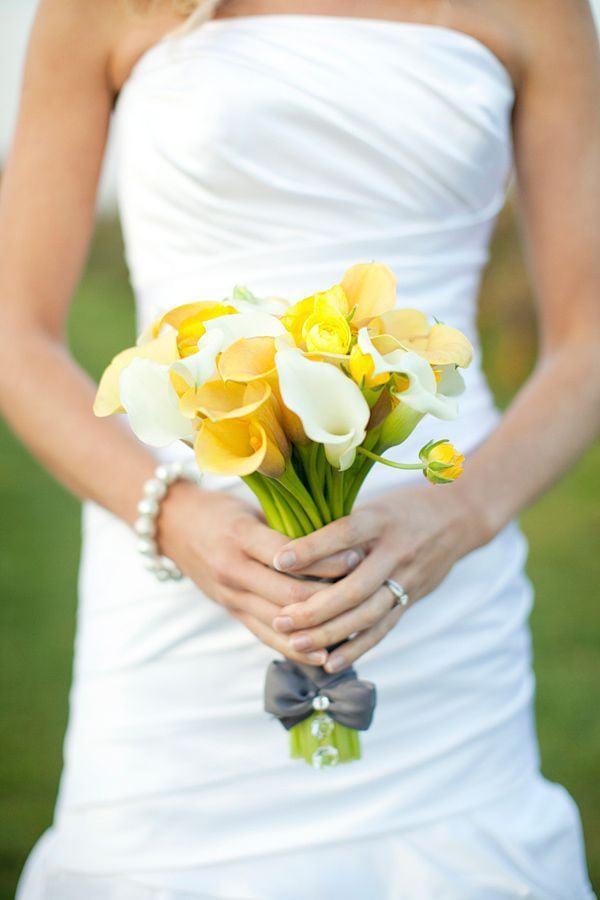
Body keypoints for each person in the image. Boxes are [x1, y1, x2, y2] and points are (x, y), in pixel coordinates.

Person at [3, 0, 598, 897]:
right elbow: (16, 333)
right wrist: (174, 518)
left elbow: (588, 338)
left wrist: (461, 512)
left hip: (443, 592)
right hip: (175, 600)